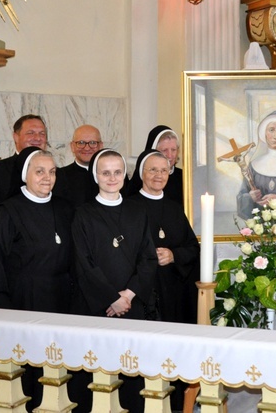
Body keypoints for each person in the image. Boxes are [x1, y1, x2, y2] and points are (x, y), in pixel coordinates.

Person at [0, 147, 74, 409]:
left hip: (60, 302)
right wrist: (3, 312)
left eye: (52, 172)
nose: (47, 177)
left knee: (56, 374)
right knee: (27, 376)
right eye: (39, 171)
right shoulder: (8, 211)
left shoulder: (64, 208)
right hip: (23, 303)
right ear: (25, 175)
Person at [71, 149, 159, 412]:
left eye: (117, 172)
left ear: (125, 175)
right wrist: (112, 298)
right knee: (100, 377)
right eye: (105, 172)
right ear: (95, 176)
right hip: (98, 309)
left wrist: (128, 295)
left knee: (132, 375)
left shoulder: (137, 210)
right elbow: (83, 264)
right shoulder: (83, 214)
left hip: (132, 307)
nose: (112, 178)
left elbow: (149, 258)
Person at [131, 149, 200, 325]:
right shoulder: (129, 206)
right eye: (152, 170)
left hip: (173, 290)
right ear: (141, 172)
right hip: (142, 290)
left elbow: (193, 248)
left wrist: (173, 255)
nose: (159, 175)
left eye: (164, 170)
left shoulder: (175, 208)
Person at [0, 114, 48, 237]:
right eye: (30, 133)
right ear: (16, 137)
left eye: (42, 133)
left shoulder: (56, 173)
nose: (37, 138)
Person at [129, 125, 184, 205]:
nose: (170, 155)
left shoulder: (184, 177)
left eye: (173, 150)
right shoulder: (142, 180)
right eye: (164, 150)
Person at [53, 124, 104, 208]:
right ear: (72, 146)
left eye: (92, 143)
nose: (87, 148)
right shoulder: (59, 176)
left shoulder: (113, 175)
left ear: (101, 146)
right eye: (81, 143)